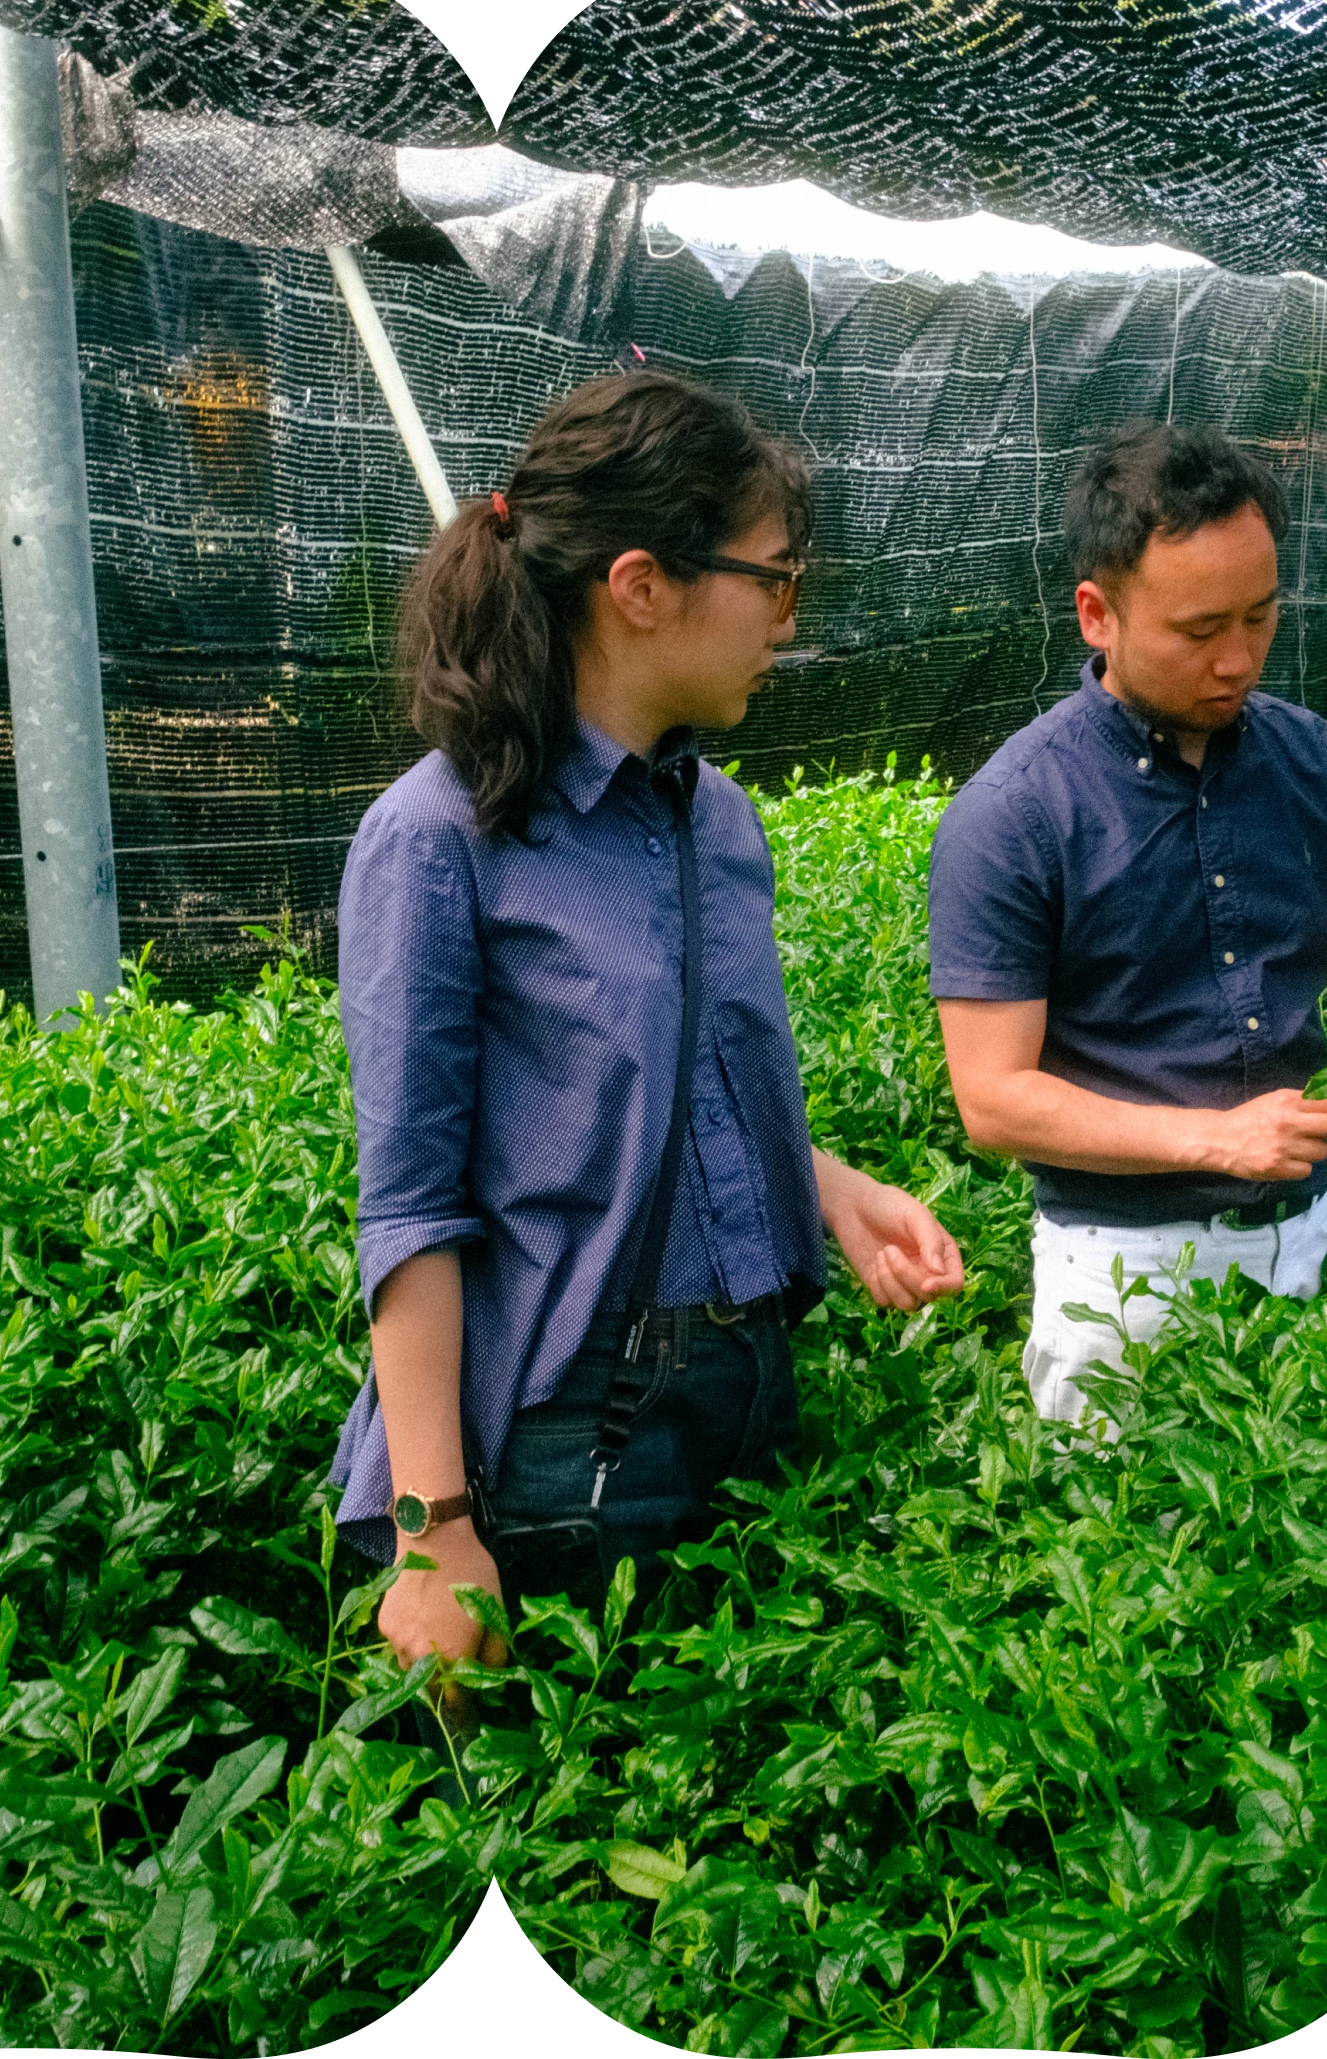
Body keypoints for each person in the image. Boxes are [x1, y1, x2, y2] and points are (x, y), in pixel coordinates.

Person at [329, 370, 966, 1717]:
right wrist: (434, 1530)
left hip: (741, 1396)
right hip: (562, 1436)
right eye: (773, 582)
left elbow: (667, 1086)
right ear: (640, 585)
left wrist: (834, 1193)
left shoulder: (715, 820)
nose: (788, 623)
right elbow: (410, 1213)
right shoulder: (439, 838)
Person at [928, 420, 1327, 1431]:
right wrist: (1217, 1139)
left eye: (1260, 617)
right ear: (1097, 614)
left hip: (1307, 1235)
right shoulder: (1013, 814)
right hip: (1117, 1273)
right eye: (1197, 629)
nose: (1237, 658)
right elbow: (993, 1101)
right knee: (1128, 1570)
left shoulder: (1310, 761)